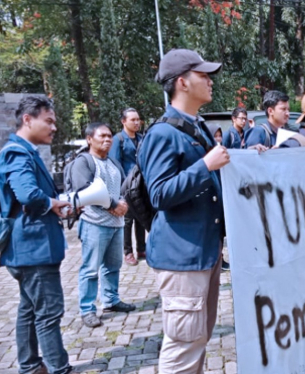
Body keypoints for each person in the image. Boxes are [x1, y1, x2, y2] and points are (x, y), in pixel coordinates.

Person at [141, 48, 230, 373]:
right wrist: (206, 165)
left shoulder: (196, 126)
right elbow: (160, 194)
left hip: (204, 252)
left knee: (198, 338)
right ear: (182, 82)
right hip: (183, 257)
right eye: (203, 75)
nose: (210, 81)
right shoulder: (163, 133)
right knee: (183, 345)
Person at [0, 96, 78, 374]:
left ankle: (30, 366)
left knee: (29, 310)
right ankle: (59, 368)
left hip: (28, 249)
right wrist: (52, 204)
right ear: (28, 119)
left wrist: (51, 205)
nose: (54, 128)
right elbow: (28, 195)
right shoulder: (17, 152)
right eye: (49, 121)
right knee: (48, 313)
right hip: (33, 250)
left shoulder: (23, 150)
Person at [72, 122, 136, 328]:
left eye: (110, 136)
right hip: (94, 224)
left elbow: (123, 186)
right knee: (90, 270)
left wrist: (124, 203)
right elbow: (84, 192)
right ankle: (87, 309)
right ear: (90, 139)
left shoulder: (113, 163)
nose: (107, 139)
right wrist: (114, 205)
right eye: (102, 136)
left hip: (116, 224)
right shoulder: (84, 162)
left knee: (113, 266)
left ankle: (111, 300)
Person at [109, 107, 146, 266]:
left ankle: (142, 249)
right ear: (124, 121)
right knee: (128, 220)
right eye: (133, 120)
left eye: (138, 119)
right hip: (126, 187)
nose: (137, 122)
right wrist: (123, 185)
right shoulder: (118, 140)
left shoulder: (141, 138)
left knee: (141, 218)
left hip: (141, 185)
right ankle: (128, 251)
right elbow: (115, 164)